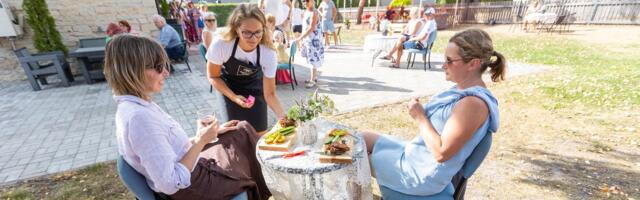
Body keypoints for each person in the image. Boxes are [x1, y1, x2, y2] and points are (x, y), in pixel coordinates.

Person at [105, 34, 271, 200]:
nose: (166, 72)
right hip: (191, 186)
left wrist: (200, 137)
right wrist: (201, 141)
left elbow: (167, 150)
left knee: (240, 129)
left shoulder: (139, 106)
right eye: (158, 67)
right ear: (133, 71)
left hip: (191, 168)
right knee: (244, 174)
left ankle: (267, 185)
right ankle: (264, 187)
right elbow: (171, 183)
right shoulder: (139, 119)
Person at [364, 28, 506, 197]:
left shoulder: (473, 104)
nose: (443, 65)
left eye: (450, 60)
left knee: (355, 157)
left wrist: (420, 116)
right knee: (361, 139)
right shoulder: (462, 91)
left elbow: (441, 153)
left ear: (473, 64)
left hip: (421, 173)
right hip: (417, 155)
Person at [206, 4, 286, 134]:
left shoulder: (268, 53)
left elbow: (270, 94)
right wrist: (234, 97)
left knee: (258, 134)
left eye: (258, 32)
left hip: (254, 89)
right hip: (228, 90)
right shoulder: (221, 45)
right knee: (234, 135)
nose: (253, 38)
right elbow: (213, 76)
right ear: (236, 29)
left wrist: (283, 117)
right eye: (247, 33)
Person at [295, 0, 324, 88]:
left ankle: (312, 80)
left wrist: (300, 38)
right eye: (303, 1)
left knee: (313, 59)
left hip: (313, 40)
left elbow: (311, 28)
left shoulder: (314, 12)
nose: (305, 2)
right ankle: (313, 77)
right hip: (308, 39)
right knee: (310, 58)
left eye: (307, 1)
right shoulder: (306, 11)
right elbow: (304, 26)